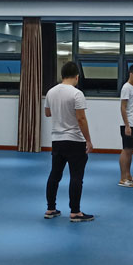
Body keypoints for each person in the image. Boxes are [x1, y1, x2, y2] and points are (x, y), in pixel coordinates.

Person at [44, 61, 95, 222]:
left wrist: (60, 112)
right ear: (77, 76)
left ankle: (50, 209)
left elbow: (47, 113)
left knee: (55, 175)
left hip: (57, 140)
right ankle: (75, 212)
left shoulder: (51, 92)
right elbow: (81, 119)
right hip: (74, 140)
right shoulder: (77, 94)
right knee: (76, 177)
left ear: (62, 75)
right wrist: (88, 140)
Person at [118, 64, 133, 187]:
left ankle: (128, 176)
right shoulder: (126, 88)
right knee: (126, 150)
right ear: (131, 74)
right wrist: (127, 125)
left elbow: (132, 108)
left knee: (130, 150)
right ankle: (123, 179)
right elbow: (123, 107)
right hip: (127, 125)